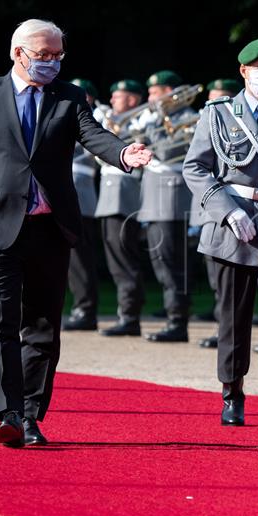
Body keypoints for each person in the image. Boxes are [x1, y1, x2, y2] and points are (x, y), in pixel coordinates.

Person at [0, 19, 152, 447]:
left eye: (59, 55)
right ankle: (8, 414)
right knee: (2, 321)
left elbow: (93, 135)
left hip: (51, 228)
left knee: (43, 327)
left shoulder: (69, 96)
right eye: (44, 55)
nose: (52, 63)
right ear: (17, 53)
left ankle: (31, 414)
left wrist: (123, 153)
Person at [183, 37, 258, 429]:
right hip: (232, 229)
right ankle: (232, 393)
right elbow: (195, 168)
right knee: (233, 317)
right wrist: (228, 211)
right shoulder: (218, 114)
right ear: (243, 71)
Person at [137, 70, 196, 342]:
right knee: (160, 260)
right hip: (153, 195)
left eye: (155, 92)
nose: (150, 97)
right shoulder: (154, 119)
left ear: (171, 92)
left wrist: (153, 125)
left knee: (173, 261)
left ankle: (178, 319)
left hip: (172, 196)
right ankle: (172, 312)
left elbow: (170, 151)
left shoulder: (186, 118)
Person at [96, 79, 147, 337]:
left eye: (119, 96)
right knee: (115, 260)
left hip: (124, 197)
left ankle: (130, 315)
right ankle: (125, 313)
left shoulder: (140, 121)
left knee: (124, 259)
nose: (113, 100)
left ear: (133, 100)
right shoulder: (114, 120)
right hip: (108, 197)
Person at [195, 79, 241, 349]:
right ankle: (223, 329)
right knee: (218, 279)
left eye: (220, 98)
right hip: (212, 207)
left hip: (239, 206)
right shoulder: (208, 121)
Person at [63, 78, 101, 331]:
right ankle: (79, 306)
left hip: (81, 194)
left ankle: (86, 309)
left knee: (80, 256)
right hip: (63, 194)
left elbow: (91, 151)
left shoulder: (96, 117)